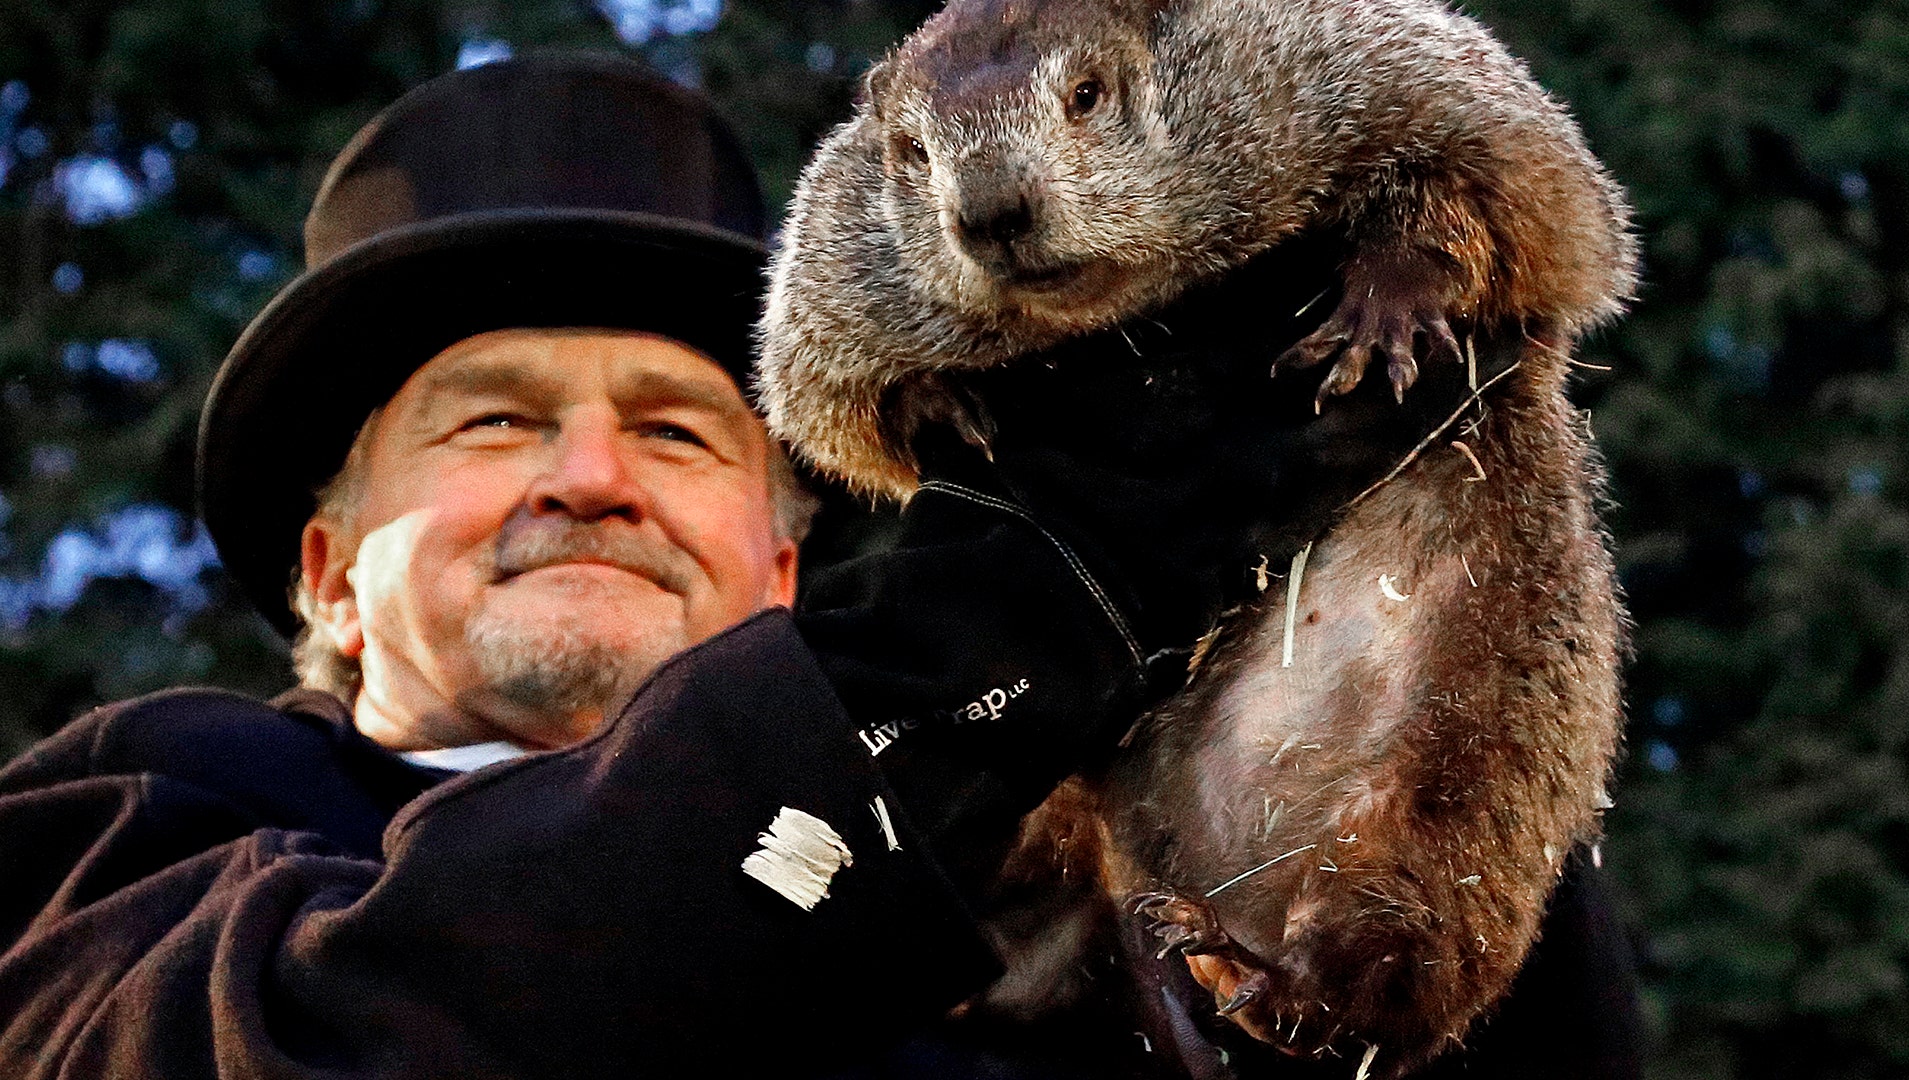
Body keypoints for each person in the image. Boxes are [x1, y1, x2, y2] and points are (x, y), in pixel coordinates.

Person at [0, 53, 1641, 1079]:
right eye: (492, 423)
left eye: (678, 432)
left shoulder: (1041, 903)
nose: (591, 480)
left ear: (787, 572)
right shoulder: (140, 823)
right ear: (330, 574)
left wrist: (1377, 667)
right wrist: (1000, 616)